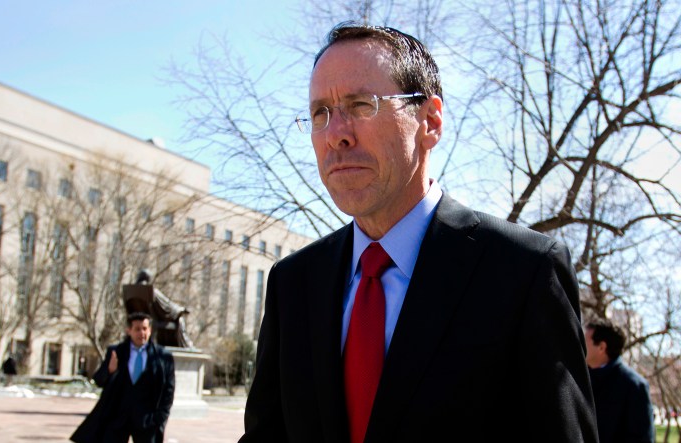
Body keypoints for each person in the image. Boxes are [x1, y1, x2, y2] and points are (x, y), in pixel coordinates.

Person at [240, 22, 598, 443]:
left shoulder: (525, 273)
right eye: (320, 113)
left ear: (429, 121)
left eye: (360, 105)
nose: (336, 133)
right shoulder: (293, 282)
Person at [71, 312, 175, 443]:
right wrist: (109, 370)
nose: (141, 333)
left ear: (150, 330)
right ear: (129, 331)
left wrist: (160, 418)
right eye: (137, 329)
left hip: (147, 420)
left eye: (145, 329)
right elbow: (98, 380)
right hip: (117, 418)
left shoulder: (162, 357)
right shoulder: (117, 352)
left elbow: (169, 390)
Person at [585, 319, 654, 443]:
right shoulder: (581, 381)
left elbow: (642, 438)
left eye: (585, 341)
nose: (580, 346)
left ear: (601, 347)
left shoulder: (634, 386)